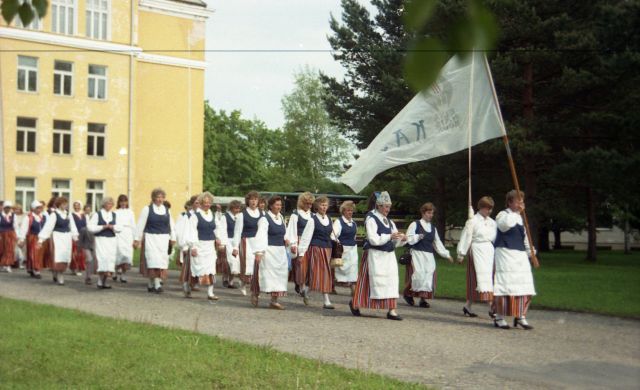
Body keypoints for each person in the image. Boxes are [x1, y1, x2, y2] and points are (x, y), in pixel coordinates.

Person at [350, 191, 407, 320]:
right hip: (374, 255)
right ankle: (356, 303)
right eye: (386, 207)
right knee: (369, 282)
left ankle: (392, 310)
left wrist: (401, 239)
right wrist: (389, 236)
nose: (388, 209)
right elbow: (373, 239)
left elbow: (394, 239)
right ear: (379, 206)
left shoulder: (389, 221)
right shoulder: (371, 218)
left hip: (388, 256)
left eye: (389, 207)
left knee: (391, 281)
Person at [492, 190, 536, 330]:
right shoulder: (502, 215)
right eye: (517, 201)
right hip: (505, 254)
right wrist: (517, 213)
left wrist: (531, 253)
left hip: (520, 256)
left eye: (521, 201)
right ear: (510, 202)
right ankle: (499, 317)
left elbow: (525, 238)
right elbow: (504, 226)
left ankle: (521, 316)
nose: (520, 204)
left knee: (525, 285)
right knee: (505, 286)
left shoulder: (521, 218)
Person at [404, 203, 453, 308]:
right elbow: (408, 239)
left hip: (428, 255)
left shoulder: (433, 228)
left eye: (432, 213)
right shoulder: (415, 224)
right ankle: (407, 293)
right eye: (429, 213)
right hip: (417, 253)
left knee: (428, 275)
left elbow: (437, 243)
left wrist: (446, 255)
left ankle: (423, 299)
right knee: (418, 274)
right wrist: (417, 237)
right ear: (423, 213)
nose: (431, 215)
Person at [456, 196, 497, 318]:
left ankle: (468, 306)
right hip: (477, 250)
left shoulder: (492, 222)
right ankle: (491, 307)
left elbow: (495, 238)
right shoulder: (473, 221)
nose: (489, 211)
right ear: (481, 207)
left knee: (488, 278)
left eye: (490, 209)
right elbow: (466, 236)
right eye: (486, 208)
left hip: (489, 251)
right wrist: (461, 253)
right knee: (478, 278)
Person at [184, 192, 226, 300]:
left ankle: (210, 292)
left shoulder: (212, 214)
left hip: (210, 246)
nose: (207, 204)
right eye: (205, 202)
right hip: (199, 244)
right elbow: (192, 231)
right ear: (201, 203)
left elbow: (216, 227)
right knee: (196, 268)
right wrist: (193, 247)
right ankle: (188, 288)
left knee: (211, 268)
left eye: (209, 202)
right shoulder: (195, 216)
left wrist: (218, 237)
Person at [250, 196, 290, 309]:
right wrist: (259, 252)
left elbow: (284, 231)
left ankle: (274, 300)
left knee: (279, 275)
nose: (279, 207)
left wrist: (286, 239)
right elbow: (261, 235)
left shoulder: (281, 217)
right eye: (277, 204)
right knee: (263, 274)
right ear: (271, 205)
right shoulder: (264, 219)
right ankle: (255, 294)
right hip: (269, 250)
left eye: (280, 205)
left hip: (280, 251)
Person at [134, 188, 176, 293]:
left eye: (162, 197)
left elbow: (171, 225)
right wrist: (137, 239)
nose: (160, 199)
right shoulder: (147, 209)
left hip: (163, 238)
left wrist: (173, 238)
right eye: (158, 197)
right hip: (151, 237)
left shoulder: (167, 210)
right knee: (153, 260)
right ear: (153, 198)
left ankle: (151, 283)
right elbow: (140, 225)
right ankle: (157, 284)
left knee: (161, 261)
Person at [298, 196, 336, 309]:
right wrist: (301, 253)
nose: (324, 207)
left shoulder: (329, 219)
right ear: (317, 206)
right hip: (316, 249)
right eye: (322, 205)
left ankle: (306, 290)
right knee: (320, 274)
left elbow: (332, 234)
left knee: (325, 274)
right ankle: (326, 300)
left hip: (328, 249)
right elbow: (306, 237)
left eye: (325, 205)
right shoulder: (312, 220)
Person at [37, 197, 79, 285]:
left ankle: (59, 272)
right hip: (57, 237)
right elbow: (48, 228)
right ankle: (59, 274)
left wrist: (76, 238)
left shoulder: (68, 214)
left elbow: (73, 226)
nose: (65, 205)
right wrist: (41, 240)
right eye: (63, 204)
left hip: (67, 237)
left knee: (65, 256)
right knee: (57, 256)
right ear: (59, 204)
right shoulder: (54, 215)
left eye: (66, 204)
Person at [232, 191, 264, 296]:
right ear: (248, 201)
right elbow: (237, 231)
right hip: (246, 241)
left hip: (258, 242)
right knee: (247, 265)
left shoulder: (262, 213)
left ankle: (255, 288)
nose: (254, 201)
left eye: (255, 199)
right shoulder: (242, 215)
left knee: (258, 265)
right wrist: (235, 247)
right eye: (252, 199)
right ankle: (243, 283)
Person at [87, 197, 121, 289]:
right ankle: (100, 280)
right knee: (102, 259)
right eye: (108, 204)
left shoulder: (114, 215)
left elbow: (120, 228)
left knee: (110, 259)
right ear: (104, 204)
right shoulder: (97, 214)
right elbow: (90, 227)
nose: (109, 206)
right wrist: (102, 227)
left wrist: (112, 227)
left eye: (111, 204)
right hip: (101, 239)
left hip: (111, 240)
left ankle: (104, 281)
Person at [286, 192, 315, 295]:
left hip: (309, 242)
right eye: (307, 203)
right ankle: (301, 286)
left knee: (308, 266)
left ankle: (302, 283)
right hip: (299, 240)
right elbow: (291, 230)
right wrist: (293, 244)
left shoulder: (312, 215)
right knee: (300, 265)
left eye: (310, 204)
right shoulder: (296, 214)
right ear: (302, 203)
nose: (309, 206)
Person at [332, 200, 358, 294]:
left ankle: (353, 290)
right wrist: (339, 245)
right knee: (339, 269)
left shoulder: (354, 223)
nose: (350, 212)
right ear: (343, 211)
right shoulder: (339, 222)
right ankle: (331, 285)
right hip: (342, 250)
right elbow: (333, 236)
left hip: (353, 250)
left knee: (353, 269)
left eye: (351, 210)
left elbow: (354, 236)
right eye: (348, 210)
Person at [17, 201, 47, 278]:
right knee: (33, 253)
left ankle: (31, 268)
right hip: (32, 237)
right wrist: (21, 239)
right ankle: (36, 270)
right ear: (33, 209)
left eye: (40, 208)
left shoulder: (43, 217)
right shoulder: (28, 217)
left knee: (39, 254)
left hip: (41, 238)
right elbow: (23, 229)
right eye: (37, 208)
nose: (39, 210)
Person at [176, 196, 199, 293]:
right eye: (197, 202)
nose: (199, 205)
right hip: (189, 244)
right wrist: (184, 246)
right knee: (188, 266)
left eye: (200, 202)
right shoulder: (186, 216)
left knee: (197, 265)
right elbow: (181, 231)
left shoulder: (203, 215)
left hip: (200, 244)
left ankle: (193, 283)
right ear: (192, 204)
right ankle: (186, 283)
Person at [114, 194, 136, 283]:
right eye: (121, 201)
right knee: (118, 253)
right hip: (119, 234)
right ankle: (116, 271)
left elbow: (133, 225)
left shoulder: (130, 212)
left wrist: (135, 238)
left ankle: (123, 274)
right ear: (119, 202)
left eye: (125, 201)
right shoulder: (115, 212)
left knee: (127, 255)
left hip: (128, 234)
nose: (123, 203)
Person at [221, 200, 242, 288]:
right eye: (236, 208)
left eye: (238, 208)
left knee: (236, 261)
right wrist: (223, 243)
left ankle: (231, 281)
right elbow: (223, 230)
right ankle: (225, 279)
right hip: (228, 241)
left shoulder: (240, 217)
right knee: (228, 261)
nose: (237, 210)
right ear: (231, 208)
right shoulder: (225, 217)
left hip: (236, 242)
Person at [69, 201, 87, 276]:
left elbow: (87, 225)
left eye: (78, 206)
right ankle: (74, 268)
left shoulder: (84, 215)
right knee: (75, 252)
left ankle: (80, 268)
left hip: (83, 235)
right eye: (75, 206)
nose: (76, 207)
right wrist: (74, 235)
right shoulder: (71, 215)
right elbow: (71, 225)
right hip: (75, 235)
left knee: (82, 253)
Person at [0, 201, 18, 272]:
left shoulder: (13, 215)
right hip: (1, 234)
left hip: (10, 234)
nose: (7, 209)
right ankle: (2, 264)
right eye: (6, 207)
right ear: (3, 208)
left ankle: (8, 264)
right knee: (2, 249)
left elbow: (15, 226)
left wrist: (17, 235)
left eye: (9, 208)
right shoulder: (0, 215)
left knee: (9, 249)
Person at [12, 204, 26, 269]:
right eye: (15, 209)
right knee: (15, 249)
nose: (17, 210)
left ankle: (20, 262)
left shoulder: (24, 216)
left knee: (21, 248)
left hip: (22, 233)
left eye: (18, 209)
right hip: (14, 233)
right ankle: (15, 262)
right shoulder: (12, 216)